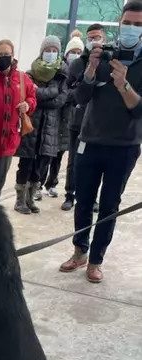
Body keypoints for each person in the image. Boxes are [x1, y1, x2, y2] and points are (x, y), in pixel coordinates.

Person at [62, 1, 142, 283]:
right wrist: (91, 70)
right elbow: (80, 99)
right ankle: (79, 250)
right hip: (90, 140)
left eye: (138, 25)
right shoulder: (103, 55)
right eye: (128, 22)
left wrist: (124, 85)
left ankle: (96, 259)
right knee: (83, 200)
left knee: (109, 205)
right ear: (119, 23)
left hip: (124, 146)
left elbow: (139, 111)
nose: (131, 29)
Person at [13, 35, 71, 215]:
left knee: (41, 165)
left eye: (54, 51)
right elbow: (29, 96)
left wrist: (41, 94)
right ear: (42, 52)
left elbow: (60, 100)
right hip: (32, 126)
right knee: (26, 164)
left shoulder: (62, 75)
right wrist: (48, 95)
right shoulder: (29, 74)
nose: (51, 54)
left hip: (51, 129)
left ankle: (31, 199)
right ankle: (20, 200)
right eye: (48, 50)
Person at [0, 38, 37, 197]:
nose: (3, 57)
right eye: (0, 54)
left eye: (7, 54)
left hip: (9, 142)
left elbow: (32, 97)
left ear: (13, 56)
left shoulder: (22, 78)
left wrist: (28, 105)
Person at [63, 24, 107, 213]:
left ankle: (92, 198)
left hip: (100, 124)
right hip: (78, 122)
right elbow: (69, 91)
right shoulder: (77, 64)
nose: (94, 41)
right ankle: (69, 194)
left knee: (97, 164)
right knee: (74, 161)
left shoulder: (109, 62)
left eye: (97, 37)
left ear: (104, 39)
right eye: (90, 38)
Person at [40, 33, 84, 200]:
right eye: (73, 51)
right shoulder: (59, 71)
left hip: (69, 120)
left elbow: (67, 95)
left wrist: (62, 95)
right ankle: (39, 183)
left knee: (59, 156)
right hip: (52, 118)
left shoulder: (68, 72)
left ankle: (52, 183)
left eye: (79, 52)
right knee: (45, 154)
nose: (76, 55)